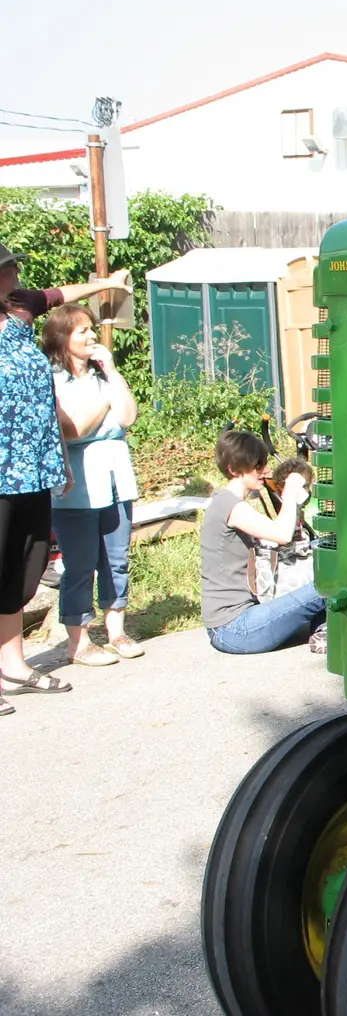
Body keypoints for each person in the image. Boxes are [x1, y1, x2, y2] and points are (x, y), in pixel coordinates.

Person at [0, 244, 132, 714]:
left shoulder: (19, 312)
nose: (14, 273)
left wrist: (110, 282)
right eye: (6, 268)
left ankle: (12, 666)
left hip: (32, 468)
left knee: (21, 568)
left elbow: (61, 294)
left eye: (13, 266)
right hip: (0, 470)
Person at [42, 304, 144, 667]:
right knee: (80, 564)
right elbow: (73, 430)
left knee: (116, 560)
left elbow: (128, 416)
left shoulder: (104, 377)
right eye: (81, 330)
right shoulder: (53, 381)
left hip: (117, 480)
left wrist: (112, 372)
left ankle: (116, 631)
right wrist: (105, 402)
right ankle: (79, 640)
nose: (90, 336)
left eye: (90, 329)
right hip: (79, 486)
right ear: (61, 338)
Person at [200, 430, 327, 654]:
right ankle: (323, 630)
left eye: (265, 464)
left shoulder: (229, 503)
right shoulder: (229, 506)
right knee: (329, 586)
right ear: (234, 469)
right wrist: (291, 491)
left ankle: (322, 630)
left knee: (318, 581)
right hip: (234, 629)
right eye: (258, 466)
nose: (265, 471)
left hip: (240, 621)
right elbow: (282, 534)